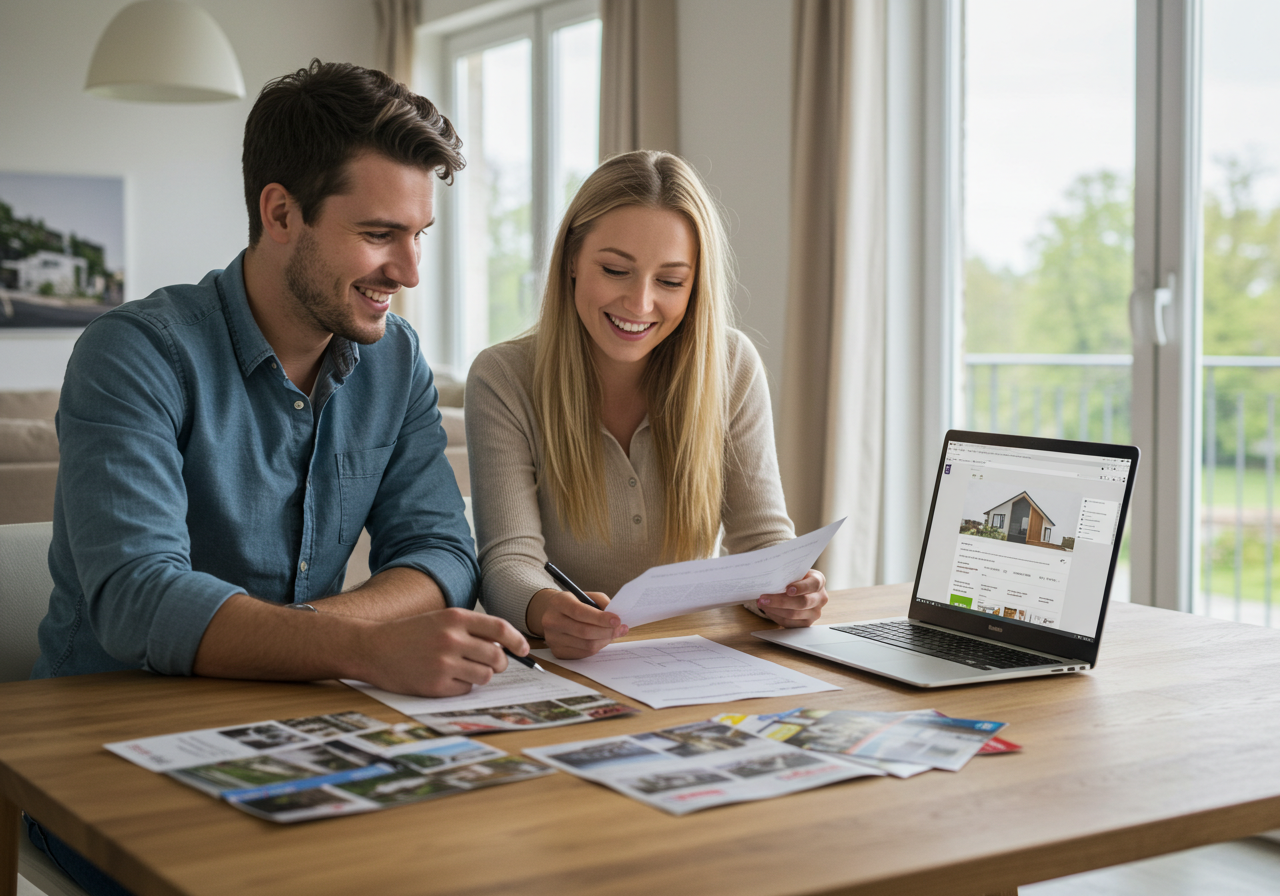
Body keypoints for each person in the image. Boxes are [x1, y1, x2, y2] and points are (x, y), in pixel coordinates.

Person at [27, 61, 529, 896]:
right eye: (379, 234)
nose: (408, 271)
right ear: (280, 211)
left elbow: (441, 550)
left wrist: (308, 637)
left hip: (306, 728)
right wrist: (360, 645)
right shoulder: (135, 354)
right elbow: (138, 597)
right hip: (101, 751)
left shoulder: (393, 358)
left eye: (419, 236)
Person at [466, 150, 829, 659]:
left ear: (696, 285)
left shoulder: (730, 365)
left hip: (694, 658)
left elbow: (762, 539)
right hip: (562, 664)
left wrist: (788, 592)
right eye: (616, 270)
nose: (639, 303)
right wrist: (548, 610)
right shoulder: (504, 377)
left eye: (670, 281)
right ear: (572, 260)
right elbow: (507, 562)